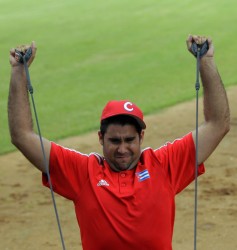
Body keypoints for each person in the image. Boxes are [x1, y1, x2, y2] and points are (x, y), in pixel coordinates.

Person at [8, 35, 230, 250]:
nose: (122, 149)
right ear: (101, 138)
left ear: (141, 137)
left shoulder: (165, 165)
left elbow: (218, 124)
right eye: (114, 141)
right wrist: (19, 72)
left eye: (129, 140)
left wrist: (206, 62)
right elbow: (22, 135)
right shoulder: (83, 172)